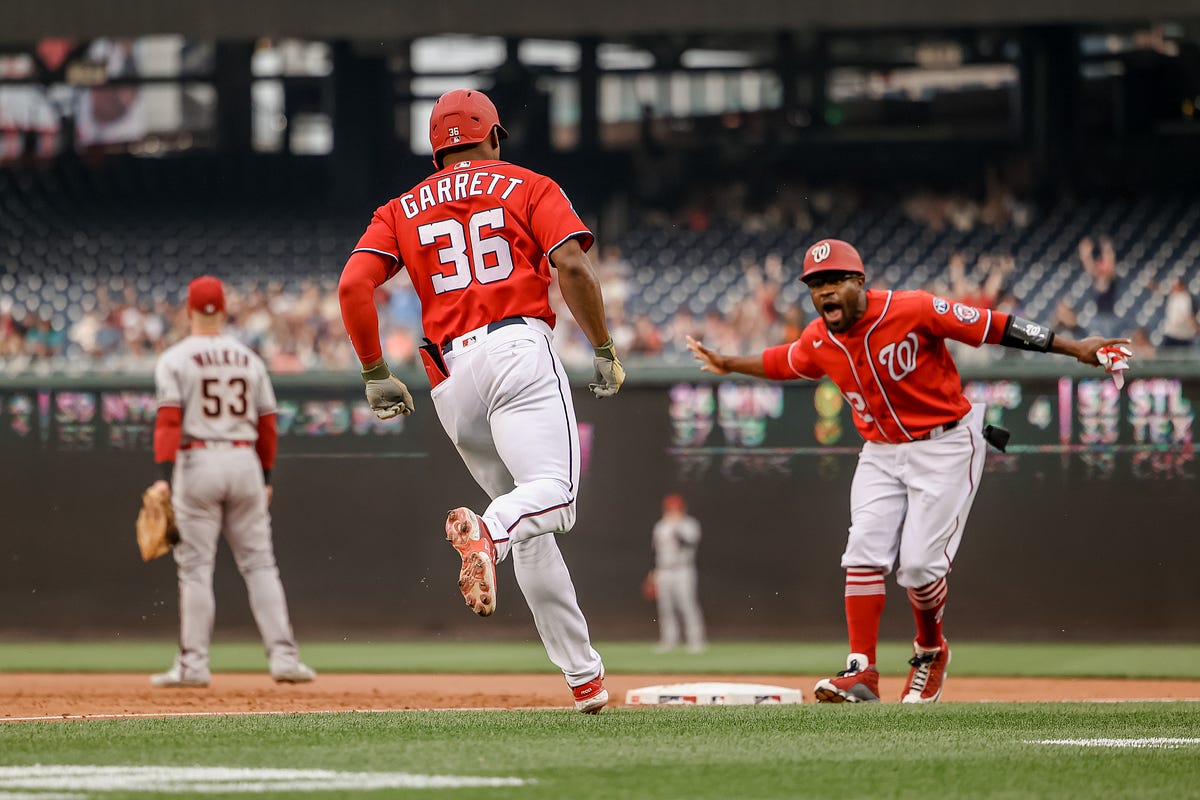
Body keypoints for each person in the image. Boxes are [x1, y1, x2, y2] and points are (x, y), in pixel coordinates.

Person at [686, 239, 1130, 704]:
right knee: (862, 552)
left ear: (859, 281)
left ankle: (931, 650)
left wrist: (1074, 348)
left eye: (835, 280)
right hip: (880, 451)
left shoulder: (914, 309)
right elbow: (784, 361)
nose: (825, 292)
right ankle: (861, 671)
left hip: (946, 445)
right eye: (816, 284)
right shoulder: (820, 337)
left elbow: (996, 327)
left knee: (918, 566)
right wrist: (729, 363)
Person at [337, 88, 625, 714]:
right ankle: (486, 535)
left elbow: (354, 285)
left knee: (533, 527)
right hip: (516, 346)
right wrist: (603, 347)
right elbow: (571, 267)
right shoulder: (529, 185)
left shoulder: (401, 207)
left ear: (436, 149)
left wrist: (373, 370)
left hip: (449, 380)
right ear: (494, 137)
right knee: (557, 497)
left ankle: (584, 679)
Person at [148, 276, 315, 688]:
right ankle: (284, 658)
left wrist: (163, 479)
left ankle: (193, 665)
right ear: (223, 311)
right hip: (244, 460)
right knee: (260, 564)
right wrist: (266, 475)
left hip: (197, 460)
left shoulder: (175, 358)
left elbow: (169, 422)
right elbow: (268, 425)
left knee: (195, 570)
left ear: (188, 311)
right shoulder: (248, 358)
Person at [649, 494, 707, 653]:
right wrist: (653, 573)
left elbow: (688, 544)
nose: (672, 511)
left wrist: (676, 528)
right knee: (665, 608)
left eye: (675, 508)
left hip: (683, 569)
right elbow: (655, 552)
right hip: (664, 570)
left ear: (682, 509)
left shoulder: (689, 525)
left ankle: (695, 641)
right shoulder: (660, 526)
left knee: (687, 605)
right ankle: (669, 641)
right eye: (669, 508)